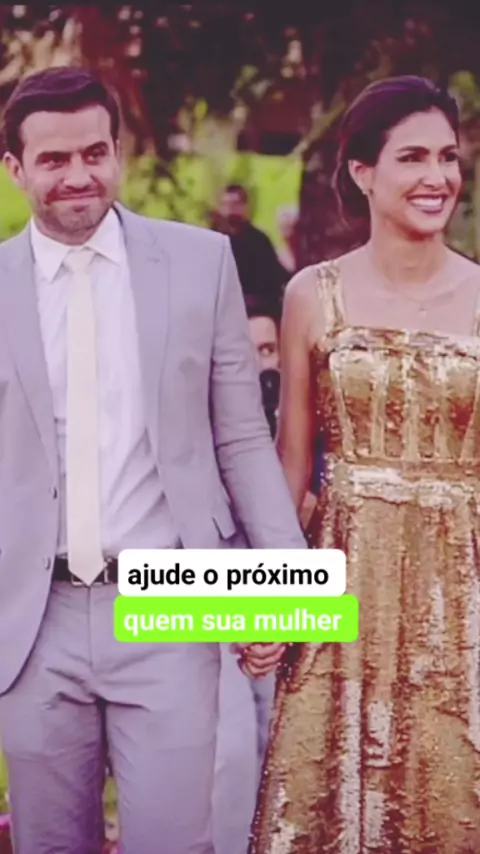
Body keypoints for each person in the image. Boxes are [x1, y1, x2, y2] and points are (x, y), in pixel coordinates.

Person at [0, 67, 305, 854]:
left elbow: (241, 439)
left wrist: (277, 595)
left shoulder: (201, 262)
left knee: (176, 840)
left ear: (119, 152)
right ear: (15, 167)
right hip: (32, 617)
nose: (79, 174)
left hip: (171, 595)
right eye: (54, 159)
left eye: (94, 153)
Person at [246, 76, 480, 854]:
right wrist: (262, 609)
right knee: (326, 802)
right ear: (361, 171)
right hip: (341, 588)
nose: (437, 176)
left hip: (464, 594)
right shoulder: (312, 295)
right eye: (412, 157)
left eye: (448, 157)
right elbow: (290, 475)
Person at [211, 185, 287, 317]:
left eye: (235, 204)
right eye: (225, 204)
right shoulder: (212, 240)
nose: (230, 210)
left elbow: (273, 281)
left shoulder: (259, 241)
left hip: (255, 310)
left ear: (244, 206)